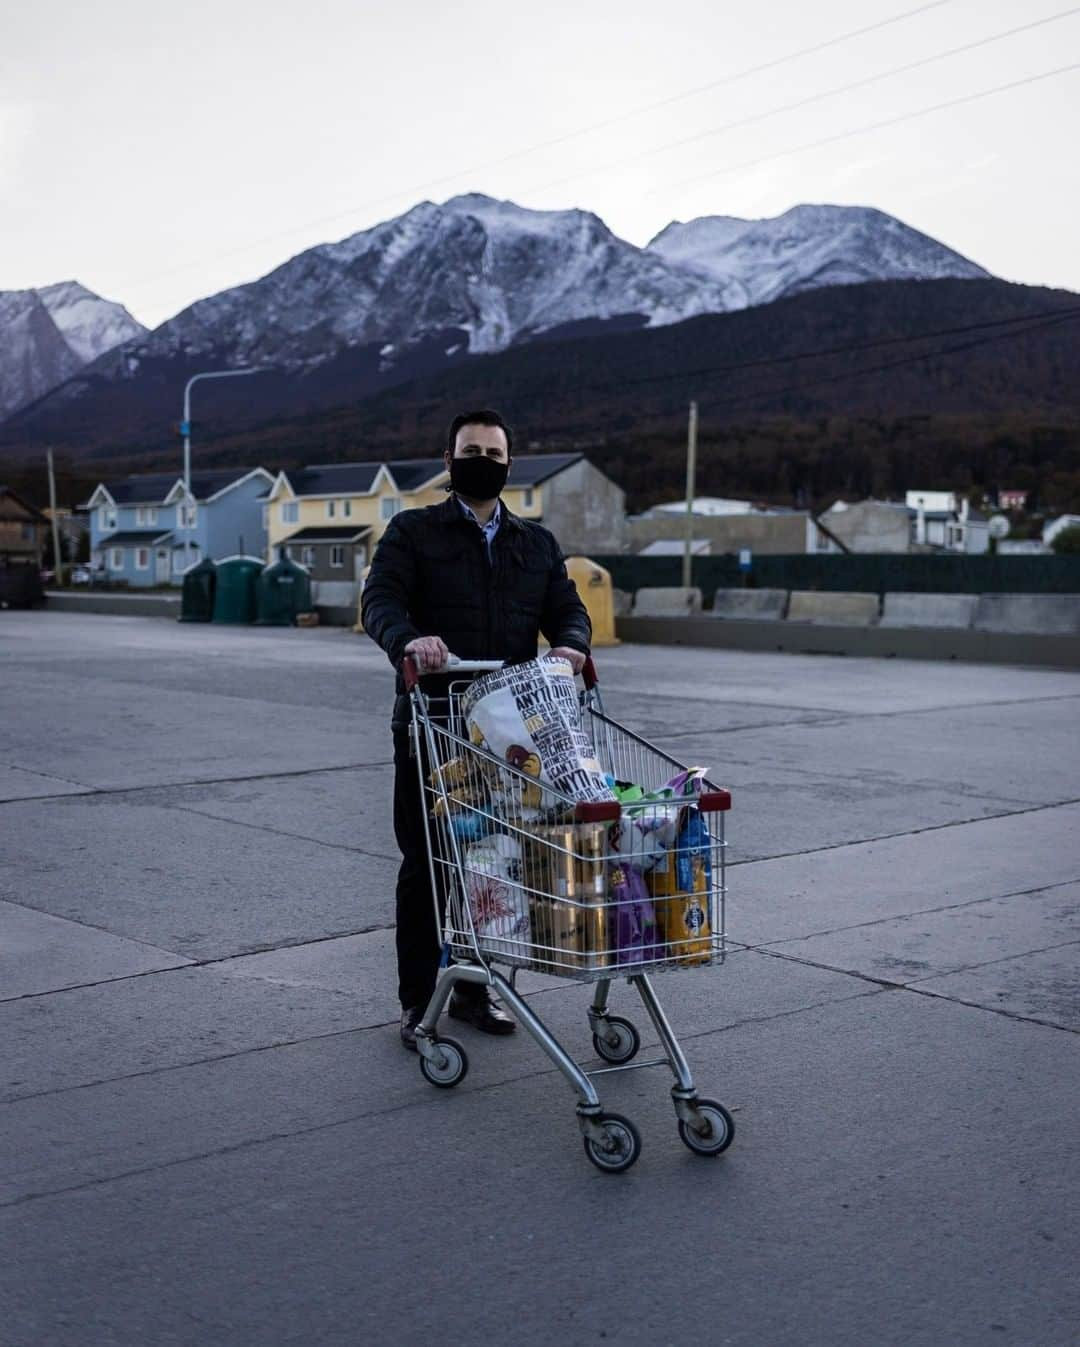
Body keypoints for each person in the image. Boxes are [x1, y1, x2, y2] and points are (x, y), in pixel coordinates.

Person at [362, 408, 592, 1050]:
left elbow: (568, 612)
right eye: (471, 450)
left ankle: (470, 988)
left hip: (509, 734)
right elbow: (379, 601)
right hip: (433, 725)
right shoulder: (413, 532)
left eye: (493, 453)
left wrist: (571, 646)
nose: (482, 461)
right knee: (427, 864)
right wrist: (411, 640)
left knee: (494, 861)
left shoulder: (536, 545)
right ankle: (418, 1001)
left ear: (509, 465)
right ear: (448, 461)